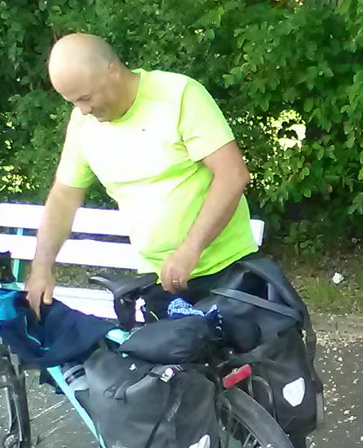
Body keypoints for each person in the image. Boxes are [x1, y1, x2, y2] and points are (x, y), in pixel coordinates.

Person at [23, 33, 257, 316]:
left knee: (247, 359)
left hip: (226, 271)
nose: (84, 110)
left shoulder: (178, 95)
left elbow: (232, 174)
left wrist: (190, 249)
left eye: (86, 98)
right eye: (73, 102)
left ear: (112, 71)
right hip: (160, 281)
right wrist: (41, 267)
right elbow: (64, 196)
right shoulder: (83, 124)